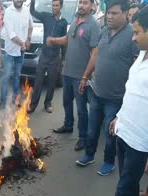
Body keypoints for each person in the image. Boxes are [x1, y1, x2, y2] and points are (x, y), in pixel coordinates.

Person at [75, 0, 138, 176]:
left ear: (125, 14)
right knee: (92, 129)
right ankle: (89, 154)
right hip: (97, 92)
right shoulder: (103, 31)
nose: (109, 16)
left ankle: (109, 162)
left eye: (114, 13)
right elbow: (96, 55)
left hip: (116, 97)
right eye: (108, 13)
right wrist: (85, 77)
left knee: (110, 134)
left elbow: (136, 67)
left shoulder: (132, 35)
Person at [109, 6, 148, 196]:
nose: (133, 38)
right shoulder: (143, 54)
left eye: (137, 32)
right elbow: (132, 91)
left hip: (140, 144)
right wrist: (119, 117)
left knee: (123, 191)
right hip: (124, 133)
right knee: (130, 187)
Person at [47, 0, 100, 151]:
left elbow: (95, 53)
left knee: (82, 109)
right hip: (67, 72)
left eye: (85, 3)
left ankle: (83, 138)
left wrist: (85, 77)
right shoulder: (75, 19)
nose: (81, 5)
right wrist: (54, 40)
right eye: (80, 2)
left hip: (80, 76)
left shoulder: (93, 25)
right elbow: (68, 39)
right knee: (66, 102)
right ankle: (68, 125)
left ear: (92, 6)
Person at [28, 0, 68, 114]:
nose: (54, 7)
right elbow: (32, 11)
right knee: (38, 82)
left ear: (61, 7)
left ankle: (47, 103)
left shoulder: (64, 22)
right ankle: (33, 105)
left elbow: (64, 41)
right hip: (44, 56)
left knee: (51, 83)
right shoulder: (46, 17)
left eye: (56, 5)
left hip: (55, 58)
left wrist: (63, 59)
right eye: (53, 5)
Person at [0, 0, 33, 111]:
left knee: (17, 76)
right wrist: (23, 43)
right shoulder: (8, 12)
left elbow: (31, 26)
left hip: (21, 52)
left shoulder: (27, 11)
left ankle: (15, 100)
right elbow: (11, 34)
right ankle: (3, 102)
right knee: (6, 77)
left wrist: (29, 39)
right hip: (10, 51)